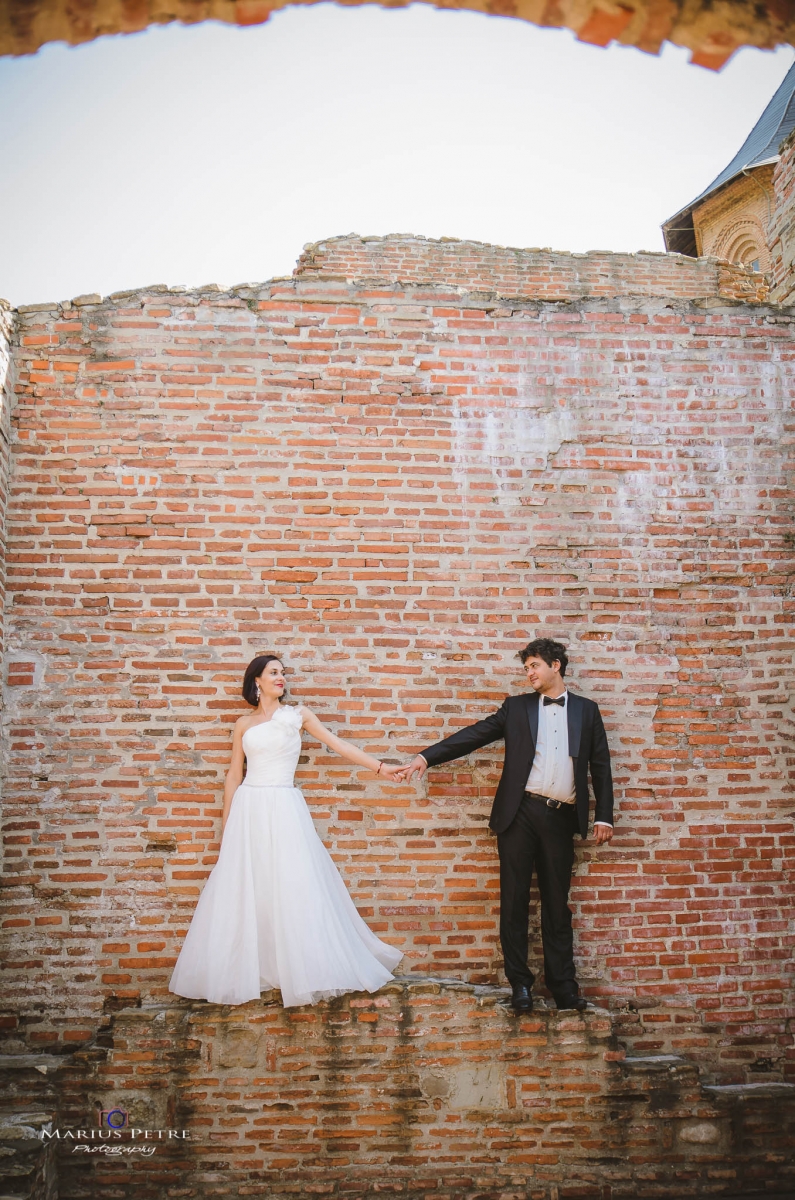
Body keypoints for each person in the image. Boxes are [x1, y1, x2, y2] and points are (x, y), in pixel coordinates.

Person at [169, 654, 403, 1007]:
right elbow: (234, 775)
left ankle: (298, 968)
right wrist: (227, 826)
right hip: (249, 808)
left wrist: (380, 767)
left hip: (284, 807)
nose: (281, 677)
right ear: (257, 682)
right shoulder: (243, 724)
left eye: (283, 673)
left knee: (292, 884)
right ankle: (253, 969)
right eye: (273, 673)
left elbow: (338, 744)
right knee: (249, 887)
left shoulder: (298, 716)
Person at [399, 638, 613, 1013]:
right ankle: (520, 985)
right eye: (526, 667)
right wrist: (426, 757)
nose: (529, 673)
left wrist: (605, 814)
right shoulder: (516, 708)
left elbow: (601, 766)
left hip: (562, 816)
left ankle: (564, 987)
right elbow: (475, 735)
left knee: (556, 906)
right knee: (514, 901)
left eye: (534, 665)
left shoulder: (586, 711)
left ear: (556, 666)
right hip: (519, 814)